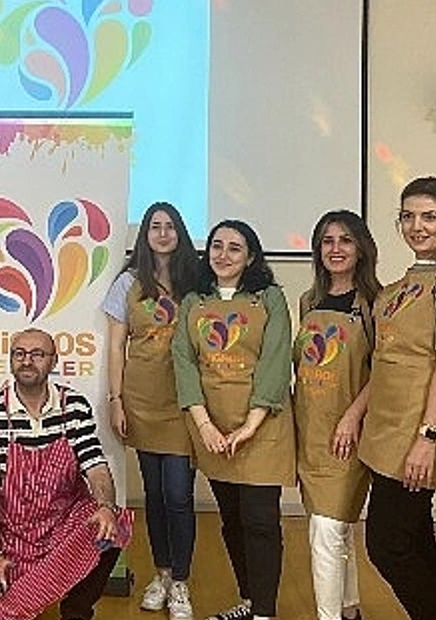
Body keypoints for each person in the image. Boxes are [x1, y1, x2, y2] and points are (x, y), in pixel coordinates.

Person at [356, 176, 436, 620]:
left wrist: (428, 437)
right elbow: (384, 360)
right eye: (408, 217)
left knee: (386, 544)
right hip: (386, 424)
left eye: (429, 217)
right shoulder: (403, 283)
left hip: (420, 427)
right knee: (415, 534)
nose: (417, 226)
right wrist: (354, 415)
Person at [0, 328, 132, 620]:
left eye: (37, 354)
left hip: (63, 526)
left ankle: (76, 610)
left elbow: (95, 465)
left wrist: (106, 506)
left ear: (54, 361)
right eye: (19, 354)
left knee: (114, 526)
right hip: (15, 538)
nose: (27, 361)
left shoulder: (74, 407)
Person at [172, 220, 294, 620]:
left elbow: (276, 360)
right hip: (212, 427)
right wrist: (205, 425)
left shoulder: (269, 298)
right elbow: (183, 362)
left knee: (260, 521)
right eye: (217, 246)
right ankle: (249, 600)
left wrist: (251, 424)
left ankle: (265, 612)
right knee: (232, 521)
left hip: (262, 425)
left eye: (234, 248)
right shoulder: (194, 300)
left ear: (251, 256)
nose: (223, 255)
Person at [101, 201, 201, 620]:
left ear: (180, 233)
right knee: (155, 496)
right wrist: (116, 400)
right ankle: (162, 575)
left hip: (184, 402)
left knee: (179, 494)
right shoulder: (128, 283)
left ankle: (181, 582)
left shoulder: (197, 280)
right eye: (154, 226)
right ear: (144, 235)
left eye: (169, 226)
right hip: (140, 401)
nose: (162, 233)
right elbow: (116, 346)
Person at [292, 211, 381, 620]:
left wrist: (351, 417)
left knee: (326, 529)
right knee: (335, 526)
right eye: (327, 241)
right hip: (310, 430)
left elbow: (385, 371)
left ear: (361, 247)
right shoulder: (308, 301)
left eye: (345, 240)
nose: (336, 249)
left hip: (349, 433)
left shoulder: (376, 304)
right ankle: (349, 609)